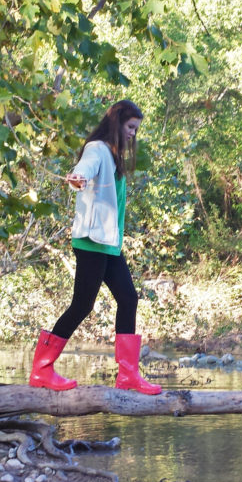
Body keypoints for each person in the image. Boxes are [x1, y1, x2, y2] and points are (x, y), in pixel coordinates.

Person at [28, 99, 162, 395]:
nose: (132, 134)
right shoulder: (98, 149)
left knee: (128, 298)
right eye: (130, 127)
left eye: (136, 129)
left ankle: (128, 376)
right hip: (91, 242)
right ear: (117, 123)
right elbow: (84, 168)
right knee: (82, 305)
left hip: (108, 244)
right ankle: (42, 369)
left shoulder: (113, 156)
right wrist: (78, 177)